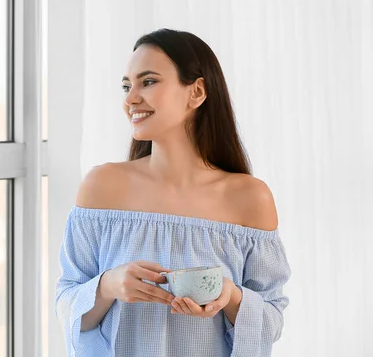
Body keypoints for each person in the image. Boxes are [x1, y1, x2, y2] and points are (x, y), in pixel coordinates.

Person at [55, 29, 291, 357]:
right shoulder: (101, 187)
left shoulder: (250, 198)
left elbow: (272, 319)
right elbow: (67, 304)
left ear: (196, 93)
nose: (130, 99)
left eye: (148, 82)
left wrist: (230, 296)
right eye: (126, 86)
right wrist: (108, 285)